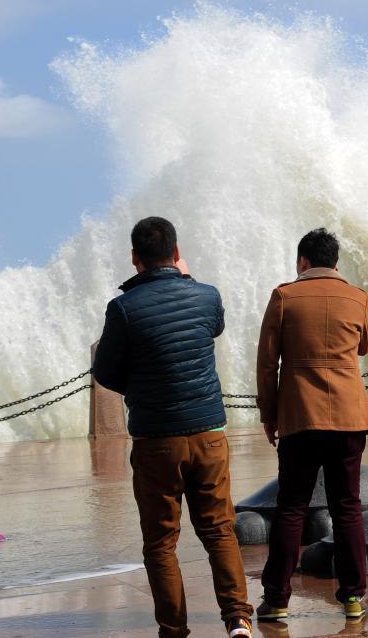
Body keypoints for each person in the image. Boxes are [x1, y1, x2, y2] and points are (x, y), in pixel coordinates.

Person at [93, 216, 253, 638]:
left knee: (161, 543)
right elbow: (215, 326)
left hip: (156, 441)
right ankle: (238, 619)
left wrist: (141, 386)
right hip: (208, 433)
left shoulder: (123, 308)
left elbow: (104, 372)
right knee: (219, 530)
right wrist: (188, 278)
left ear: (135, 257)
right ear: (177, 252)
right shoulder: (206, 295)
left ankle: (174, 629)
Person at [254, 228, 368, 622]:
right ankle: (353, 597)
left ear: (303, 261)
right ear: (335, 263)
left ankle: (277, 600)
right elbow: (365, 345)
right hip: (348, 417)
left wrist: (268, 415)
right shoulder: (357, 297)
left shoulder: (284, 297)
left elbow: (267, 363)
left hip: (300, 417)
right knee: (348, 507)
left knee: (291, 508)